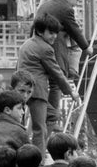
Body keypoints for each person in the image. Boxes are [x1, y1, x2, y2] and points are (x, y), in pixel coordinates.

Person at [17, 13, 81, 155]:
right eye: (51, 33)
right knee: (40, 129)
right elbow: (56, 72)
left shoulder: (27, 44)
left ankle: (36, 149)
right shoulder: (45, 48)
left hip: (22, 90)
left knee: (52, 115)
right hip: (36, 91)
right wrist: (71, 92)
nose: (54, 36)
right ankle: (37, 161)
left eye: (56, 33)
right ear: (40, 31)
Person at [36, 0, 93, 82]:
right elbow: (75, 30)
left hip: (37, 43)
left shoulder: (46, 4)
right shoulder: (66, 9)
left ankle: (71, 69)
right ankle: (72, 69)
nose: (77, 3)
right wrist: (86, 47)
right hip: (53, 46)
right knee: (57, 83)